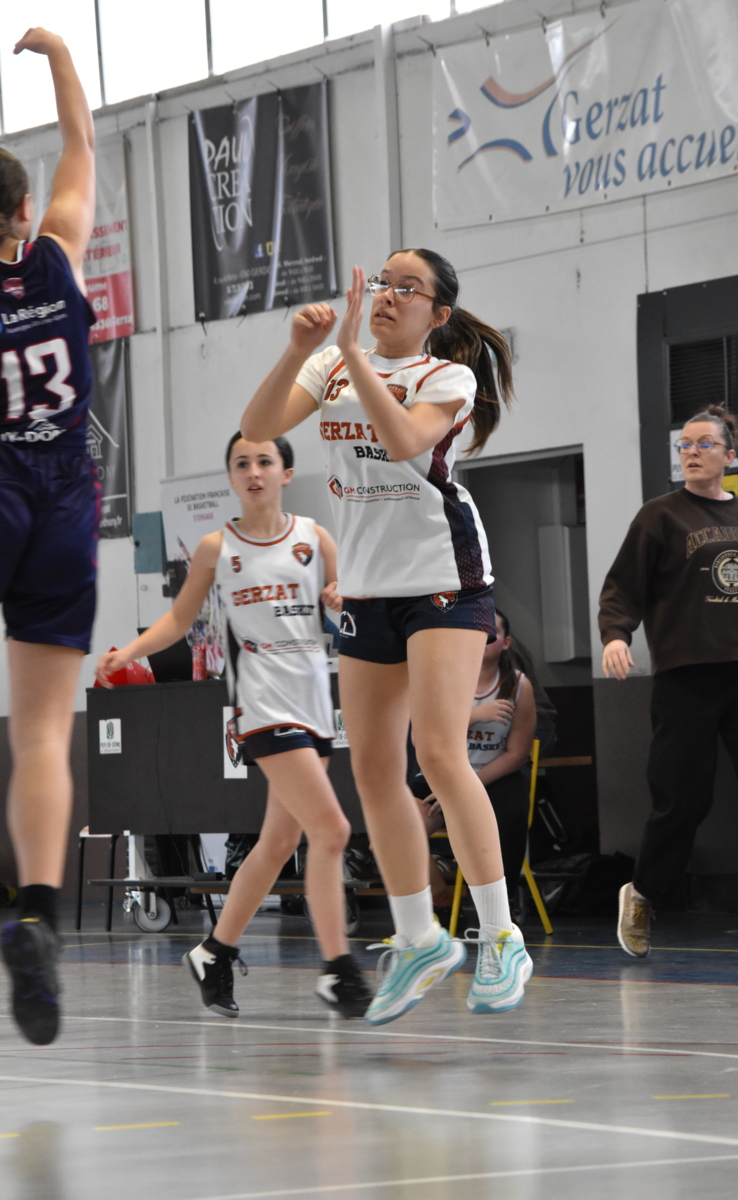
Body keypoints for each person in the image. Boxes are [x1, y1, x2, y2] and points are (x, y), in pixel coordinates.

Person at [239, 250, 533, 1023]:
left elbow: (403, 440)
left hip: (444, 579)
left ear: (439, 314)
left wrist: (350, 356)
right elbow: (258, 428)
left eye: (410, 288)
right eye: (384, 283)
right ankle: (419, 939)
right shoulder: (332, 365)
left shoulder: (446, 378)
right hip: (369, 588)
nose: (389, 296)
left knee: (438, 752)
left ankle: (501, 936)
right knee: (373, 770)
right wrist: (301, 351)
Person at [97, 434, 372, 1018]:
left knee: (279, 842)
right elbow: (179, 620)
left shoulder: (315, 539)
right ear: (230, 477)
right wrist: (129, 654)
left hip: (313, 703)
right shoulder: (217, 547)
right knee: (332, 831)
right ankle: (338, 970)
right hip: (262, 701)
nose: (253, 471)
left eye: (264, 461)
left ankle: (214, 952)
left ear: (286, 472)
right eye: (242, 463)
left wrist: (341, 599)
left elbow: (348, 609)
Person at [600, 406, 738, 965]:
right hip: (685, 677)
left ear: (730, 456)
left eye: (704, 444)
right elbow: (622, 587)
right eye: (684, 445)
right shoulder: (659, 516)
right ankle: (643, 894)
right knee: (684, 801)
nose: (691, 452)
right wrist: (616, 635)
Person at [0, 30, 97, 1045]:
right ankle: (36, 910)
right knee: (40, 732)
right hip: (65, 500)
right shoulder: (58, 256)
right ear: (23, 212)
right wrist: (62, 53)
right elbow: (80, 142)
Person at [412, 609, 537, 920]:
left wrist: (466, 788)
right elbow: (422, 735)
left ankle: (501, 906)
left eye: (491, 633)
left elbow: (516, 754)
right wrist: (475, 716)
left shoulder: (519, 686)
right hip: (441, 774)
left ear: (505, 642)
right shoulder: (443, 677)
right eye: (476, 631)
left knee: (511, 813)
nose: (483, 638)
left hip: (492, 776)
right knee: (396, 832)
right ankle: (441, 898)